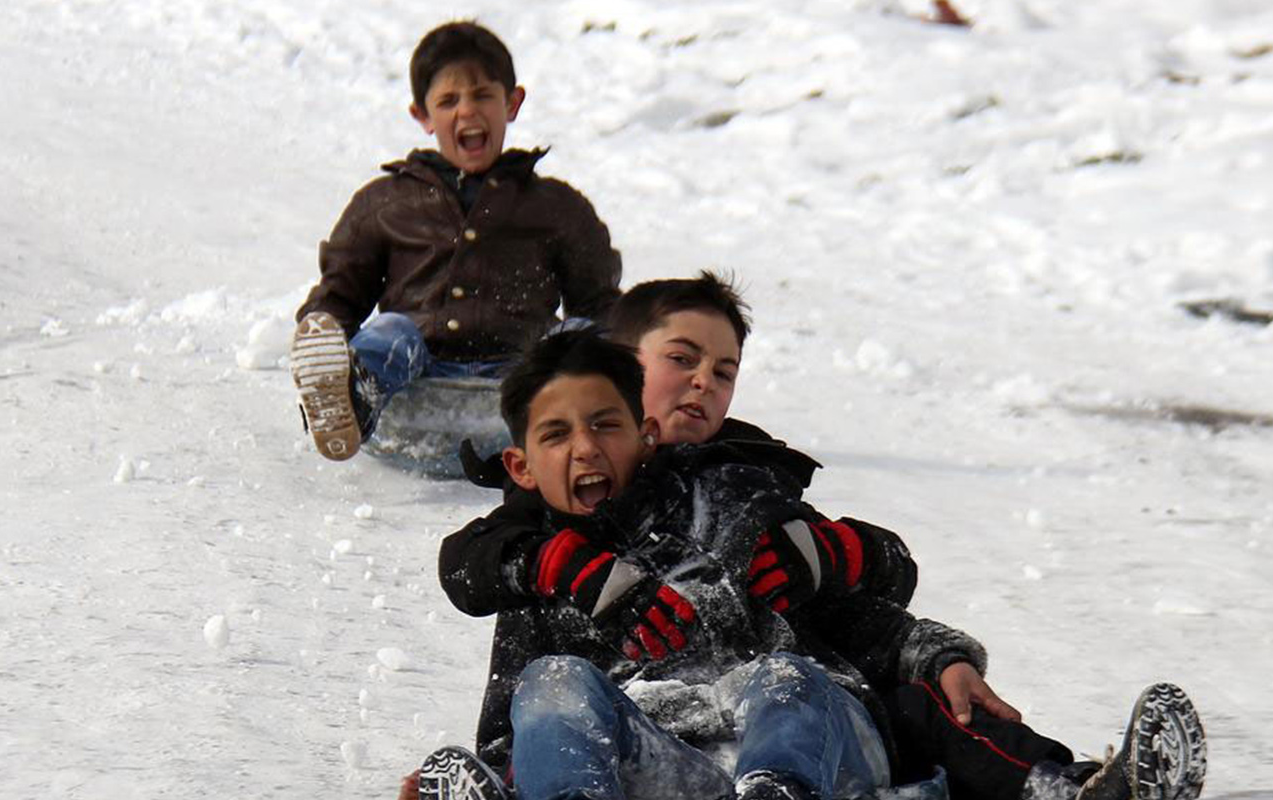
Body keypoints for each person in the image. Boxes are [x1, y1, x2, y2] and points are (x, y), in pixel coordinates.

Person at [430, 329, 1207, 800]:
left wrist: (935, 653)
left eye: (606, 426)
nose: (587, 448)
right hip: (667, 759)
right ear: (522, 466)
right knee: (555, 681)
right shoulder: (535, 565)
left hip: (800, 745)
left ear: (646, 432)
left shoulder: (728, 506)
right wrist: (499, 773)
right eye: (558, 436)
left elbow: (852, 603)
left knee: (789, 674)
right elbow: (516, 683)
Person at [289, 21, 621, 462]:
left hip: (523, 384)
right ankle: (351, 397)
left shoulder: (554, 207)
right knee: (391, 330)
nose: (467, 111)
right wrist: (322, 336)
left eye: (483, 95)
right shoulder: (387, 203)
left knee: (578, 336)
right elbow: (341, 296)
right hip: (412, 382)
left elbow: (599, 303)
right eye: (448, 101)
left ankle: (593, 423)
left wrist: (625, 355)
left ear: (512, 103)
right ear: (423, 116)